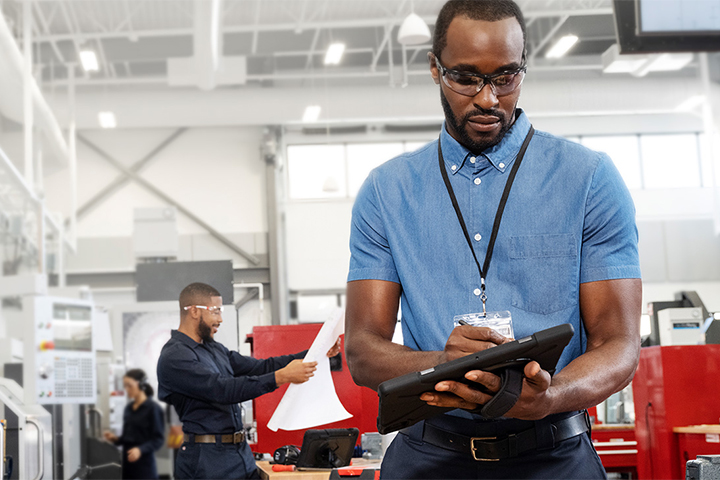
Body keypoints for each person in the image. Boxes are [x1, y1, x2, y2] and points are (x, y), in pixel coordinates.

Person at [344, 1, 642, 478]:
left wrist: (552, 397)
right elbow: (362, 350)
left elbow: (620, 345)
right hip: (429, 457)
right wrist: (442, 363)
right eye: (465, 78)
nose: (487, 99)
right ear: (433, 68)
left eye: (506, 78)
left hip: (555, 456)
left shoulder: (588, 180)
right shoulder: (387, 191)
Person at [157, 282, 341, 480]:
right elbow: (222, 390)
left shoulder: (214, 349)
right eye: (216, 311)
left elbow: (260, 367)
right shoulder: (175, 357)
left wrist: (314, 354)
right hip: (207, 461)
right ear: (194, 311)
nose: (220, 319)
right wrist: (282, 377)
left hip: (239, 455)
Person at [103, 369, 165, 480]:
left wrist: (140, 449)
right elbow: (128, 437)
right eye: (125, 386)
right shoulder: (128, 408)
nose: (126, 390)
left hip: (144, 467)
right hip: (127, 466)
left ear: (141, 385)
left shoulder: (153, 409)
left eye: (129, 386)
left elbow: (158, 440)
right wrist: (115, 439)